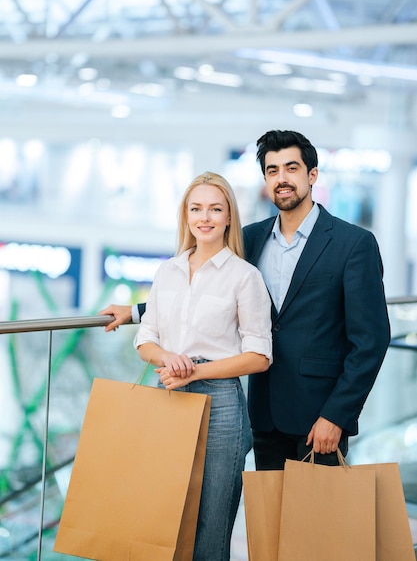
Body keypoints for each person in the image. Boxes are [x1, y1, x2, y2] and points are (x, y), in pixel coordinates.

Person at [100, 129, 391, 471]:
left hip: (319, 416)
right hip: (264, 413)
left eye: (291, 168)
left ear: (312, 175)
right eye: (272, 171)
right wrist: (136, 311)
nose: (281, 179)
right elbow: (213, 294)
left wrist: (337, 415)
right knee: (267, 521)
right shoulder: (251, 239)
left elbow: (371, 340)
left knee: (316, 522)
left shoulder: (352, 244)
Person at [132, 171, 272, 561]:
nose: (204, 217)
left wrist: (193, 370)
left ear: (229, 217)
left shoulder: (245, 277)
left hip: (221, 405)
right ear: (186, 215)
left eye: (215, 209)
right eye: (196, 208)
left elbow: (259, 356)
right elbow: (145, 339)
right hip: (169, 396)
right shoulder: (168, 272)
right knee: (166, 517)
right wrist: (167, 358)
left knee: (211, 526)